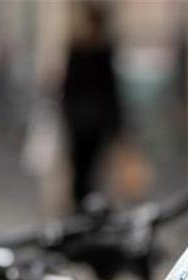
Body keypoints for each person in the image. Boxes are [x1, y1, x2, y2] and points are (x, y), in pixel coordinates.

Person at [61, 3, 123, 208]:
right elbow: (110, 91)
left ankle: (82, 208)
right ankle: (87, 208)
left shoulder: (81, 49)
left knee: (82, 170)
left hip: (82, 121)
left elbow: (68, 88)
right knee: (89, 170)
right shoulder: (98, 50)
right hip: (92, 120)